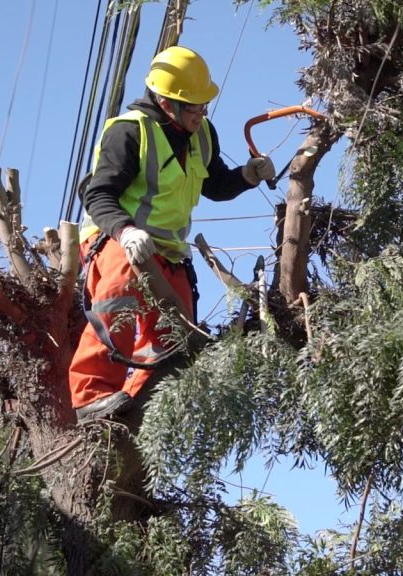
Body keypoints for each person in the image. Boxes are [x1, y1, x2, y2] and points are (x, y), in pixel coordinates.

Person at [69, 46, 275, 422]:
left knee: (178, 337)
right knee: (119, 295)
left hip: (168, 252)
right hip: (117, 238)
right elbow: (96, 194)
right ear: (166, 103)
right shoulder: (129, 132)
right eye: (194, 107)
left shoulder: (202, 133)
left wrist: (247, 176)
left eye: (204, 106)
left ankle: (140, 406)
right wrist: (126, 231)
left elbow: (215, 185)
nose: (202, 114)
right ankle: (91, 395)